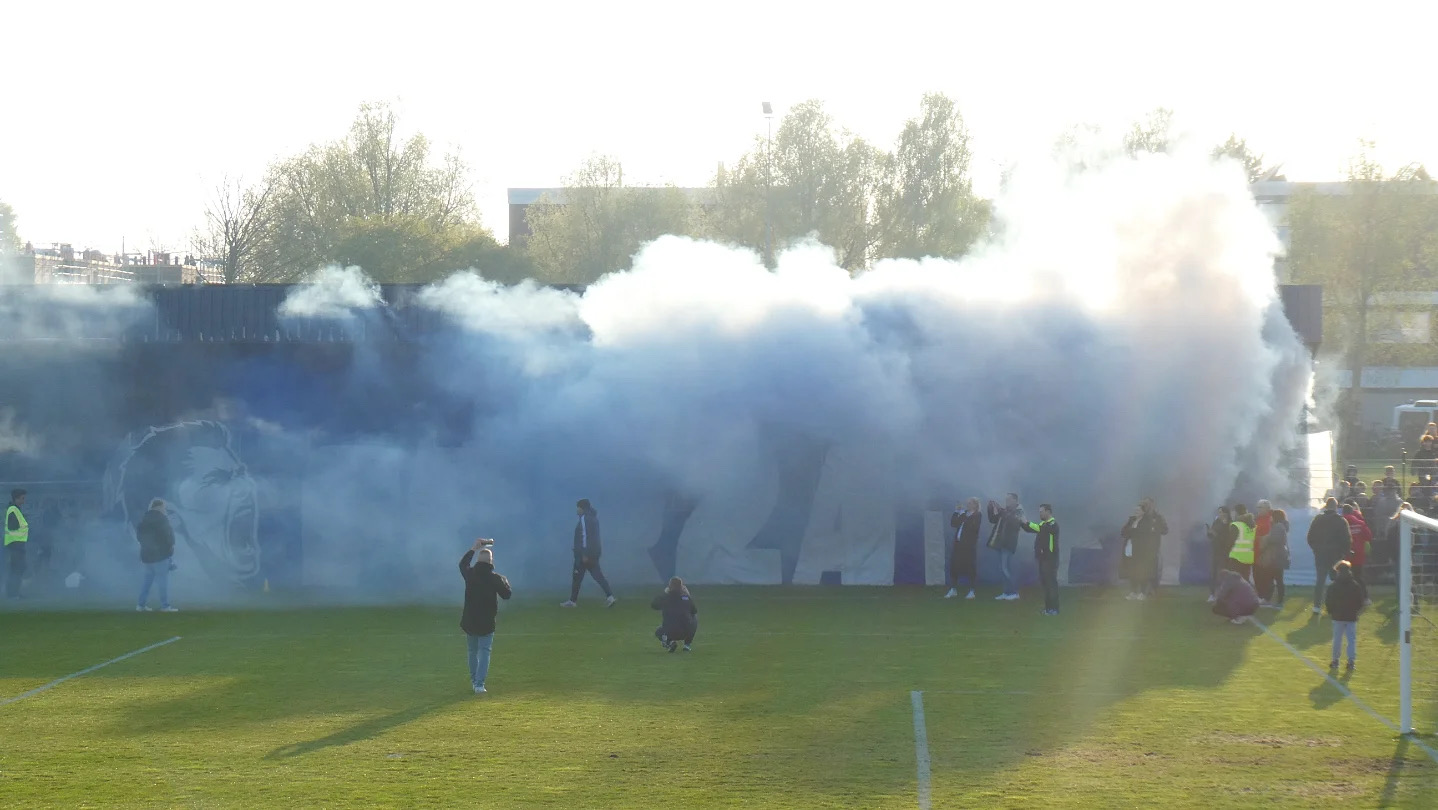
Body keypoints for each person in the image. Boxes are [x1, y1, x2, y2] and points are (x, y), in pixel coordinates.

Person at [459, 539, 512, 694]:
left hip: (470, 620)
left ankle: (474, 681)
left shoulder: (470, 574)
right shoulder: (495, 578)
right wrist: (505, 581)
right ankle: (480, 684)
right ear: (491, 561)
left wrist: (473, 549)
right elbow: (507, 595)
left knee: (472, 651)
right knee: (485, 651)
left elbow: (462, 564)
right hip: (487, 621)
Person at [560, 499, 615, 608]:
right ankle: (610, 597)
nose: (577, 510)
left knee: (577, 577)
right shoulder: (593, 518)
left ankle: (572, 601)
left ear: (582, 508)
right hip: (594, 553)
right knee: (598, 575)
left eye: (578, 507)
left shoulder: (585, 519)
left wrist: (584, 553)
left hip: (584, 555)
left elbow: (585, 537)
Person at [1307, 497, 1352, 615]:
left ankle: (1317, 606)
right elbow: (1347, 539)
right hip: (1335, 556)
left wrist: (1316, 549)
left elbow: (1310, 537)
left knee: (1320, 581)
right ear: (1336, 507)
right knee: (1337, 581)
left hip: (1320, 554)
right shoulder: (1341, 520)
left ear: (1326, 506)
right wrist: (1344, 552)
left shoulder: (1317, 519)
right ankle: (1336, 605)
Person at [1121, 497, 1169, 600]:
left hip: (1152, 548)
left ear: (1152, 505)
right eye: (1144, 504)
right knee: (1137, 570)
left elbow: (1164, 530)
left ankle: (1151, 590)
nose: (1146, 506)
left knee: (1151, 570)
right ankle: (1137, 591)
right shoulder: (1134, 519)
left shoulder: (1157, 517)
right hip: (1136, 548)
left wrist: (1155, 530)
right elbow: (1125, 532)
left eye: (1147, 504)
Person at [136, 498, 179, 612]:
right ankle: (165, 606)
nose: (165, 509)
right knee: (162, 582)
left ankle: (140, 605)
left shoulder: (144, 519)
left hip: (147, 556)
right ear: (159, 507)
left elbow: (139, 537)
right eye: (163, 507)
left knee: (147, 582)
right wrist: (170, 547)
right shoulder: (162, 519)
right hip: (161, 555)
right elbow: (168, 536)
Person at [1325, 560, 1366, 673]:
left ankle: (1335, 661)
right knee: (1351, 640)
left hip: (1337, 617)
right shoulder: (1355, 585)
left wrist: (1331, 612)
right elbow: (1360, 601)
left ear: (1338, 571)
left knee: (1337, 640)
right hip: (1351, 617)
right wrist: (1355, 611)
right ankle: (1351, 662)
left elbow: (1328, 601)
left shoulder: (1333, 586)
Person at [1021, 504, 1060, 615]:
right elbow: (1030, 529)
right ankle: (1048, 608)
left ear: (1048, 512)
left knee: (1051, 584)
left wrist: (1027, 522)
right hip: (1043, 559)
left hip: (1050, 559)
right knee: (1045, 584)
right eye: (1040, 512)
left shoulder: (1052, 524)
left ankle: (1054, 609)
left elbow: (1040, 529)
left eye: (1042, 511)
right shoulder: (1043, 524)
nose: (1040, 514)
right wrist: (1022, 522)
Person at [986, 493, 1025, 601]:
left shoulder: (1019, 510)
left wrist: (1000, 509)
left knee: (1005, 568)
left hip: (1009, 543)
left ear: (1015, 500)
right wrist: (990, 508)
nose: (1007, 501)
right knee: (1002, 569)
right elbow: (993, 519)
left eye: (1009, 499)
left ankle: (1014, 592)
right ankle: (1006, 592)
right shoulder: (1005, 511)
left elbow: (1014, 522)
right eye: (1006, 499)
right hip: (1001, 543)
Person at [945, 498, 982, 600]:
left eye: (970, 503)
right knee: (954, 566)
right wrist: (957, 512)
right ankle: (953, 589)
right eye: (967, 503)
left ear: (975, 505)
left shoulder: (977, 515)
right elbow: (954, 523)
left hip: (969, 546)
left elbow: (973, 527)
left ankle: (972, 590)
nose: (967, 505)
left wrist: (964, 515)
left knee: (970, 567)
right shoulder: (964, 514)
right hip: (958, 545)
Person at [651, 576, 698, 652]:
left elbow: (654, 605)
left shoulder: (665, 597)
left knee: (658, 632)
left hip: (669, 632)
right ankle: (687, 645)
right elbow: (694, 610)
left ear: (669, 586)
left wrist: (665, 593)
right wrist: (688, 595)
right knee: (694, 616)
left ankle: (669, 642)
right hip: (685, 632)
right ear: (682, 587)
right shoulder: (686, 598)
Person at [1257, 508, 1290, 608]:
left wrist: (1265, 538)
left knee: (1274, 579)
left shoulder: (1278, 526)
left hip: (1276, 557)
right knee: (1275, 579)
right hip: (1278, 556)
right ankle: (1271, 599)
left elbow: (1274, 539)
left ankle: (1275, 600)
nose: (1270, 518)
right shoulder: (1280, 526)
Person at [1342, 502, 1373, 604]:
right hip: (1359, 554)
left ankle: (1347, 598)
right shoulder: (1360, 523)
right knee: (1358, 576)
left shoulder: (1341, 522)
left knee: (1344, 576)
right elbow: (1368, 536)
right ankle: (1365, 598)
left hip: (1345, 555)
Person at [1207, 506, 1236, 604]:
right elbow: (1211, 535)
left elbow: (1229, 538)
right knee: (1213, 572)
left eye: (1221, 512)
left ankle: (1224, 594)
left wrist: (1218, 534)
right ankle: (1212, 594)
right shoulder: (1216, 521)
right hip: (1215, 550)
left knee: (1223, 573)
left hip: (1225, 552)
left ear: (1226, 513)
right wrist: (1210, 533)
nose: (1219, 514)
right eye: (1219, 512)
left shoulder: (1230, 523)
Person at [4, 489, 28, 600]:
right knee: (16, 570)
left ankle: (13, 593)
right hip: (15, 545)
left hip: (16, 545)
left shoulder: (15, 509)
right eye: (22, 498)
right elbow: (12, 527)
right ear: (16, 498)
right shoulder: (13, 510)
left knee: (16, 569)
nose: (24, 500)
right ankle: (13, 594)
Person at [1228, 504, 1256, 581]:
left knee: (1235, 582)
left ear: (1236, 512)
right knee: (1245, 581)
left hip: (1236, 558)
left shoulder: (1236, 525)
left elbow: (1230, 542)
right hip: (1248, 558)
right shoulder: (1252, 525)